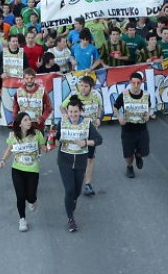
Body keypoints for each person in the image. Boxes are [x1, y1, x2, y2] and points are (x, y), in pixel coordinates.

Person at [54, 95, 103, 233]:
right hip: (65, 161)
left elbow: (99, 140)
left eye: (76, 112)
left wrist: (85, 143)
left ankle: (72, 201)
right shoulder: (62, 122)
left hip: (81, 161)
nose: (73, 114)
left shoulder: (87, 123)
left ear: (80, 111)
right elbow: (55, 139)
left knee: (76, 191)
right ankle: (71, 218)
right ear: (67, 112)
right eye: (70, 112)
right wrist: (52, 141)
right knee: (69, 190)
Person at [0, 111, 48, 232]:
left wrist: (52, 141)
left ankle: (32, 201)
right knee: (20, 196)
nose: (29, 122)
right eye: (25, 120)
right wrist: (3, 160)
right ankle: (22, 219)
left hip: (32, 169)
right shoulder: (14, 136)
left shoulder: (37, 134)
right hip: (18, 169)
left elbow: (44, 149)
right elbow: (9, 149)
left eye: (29, 119)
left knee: (30, 196)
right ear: (19, 124)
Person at [61, 76, 103, 196]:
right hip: (77, 131)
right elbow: (62, 107)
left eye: (86, 86)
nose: (83, 89)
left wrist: (99, 118)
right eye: (81, 85)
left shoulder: (96, 95)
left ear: (91, 87)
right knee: (76, 156)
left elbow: (100, 106)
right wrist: (66, 116)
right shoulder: (75, 96)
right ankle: (73, 178)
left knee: (90, 158)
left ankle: (88, 184)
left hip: (91, 132)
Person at [113, 72, 152, 178]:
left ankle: (139, 155)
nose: (136, 85)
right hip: (128, 129)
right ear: (130, 82)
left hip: (141, 128)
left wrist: (147, 115)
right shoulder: (124, 95)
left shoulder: (146, 95)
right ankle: (129, 167)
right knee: (128, 153)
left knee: (145, 151)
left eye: (138, 83)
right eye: (133, 83)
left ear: (141, 83)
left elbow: (148, 107)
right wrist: (119, 117)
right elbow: (115, 107)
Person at [12, 67, 53, 131]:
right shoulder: (18, 91)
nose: (29, 80)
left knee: (39, 141)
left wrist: (43, 118)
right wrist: (16, 118)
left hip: (38, 125)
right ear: (23, 79)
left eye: (31, 78)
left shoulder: (42, 91)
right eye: (27, 78)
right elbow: (15, 106)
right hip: (23, 126)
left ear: (35, 78)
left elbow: (49, 107)